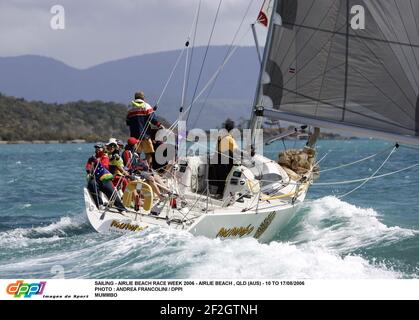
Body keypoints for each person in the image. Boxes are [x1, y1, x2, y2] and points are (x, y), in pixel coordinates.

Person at [85, 143, 126, 212]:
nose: (97, 149)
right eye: (96, 148)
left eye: (99, 148)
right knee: (91, 185)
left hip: (104, 179)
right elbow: (88, 165)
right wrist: (88, 169)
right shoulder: (92, 157)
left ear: (103, 149)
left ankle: (121, 208)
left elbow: (105, 166)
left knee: (112, 192)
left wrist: (97, 161)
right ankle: (99, 204)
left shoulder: (105, 157)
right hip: (95, 179)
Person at [126, 91, 162, 166]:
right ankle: (148, 168)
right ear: (143, 97)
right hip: (146, 135)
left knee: (136, 153)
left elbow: (128, 122)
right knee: (148, 153)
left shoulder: (130, 107)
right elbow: (152, 119)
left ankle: (135, 168)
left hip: (134, 136)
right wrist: (159, 125)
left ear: (135, 97)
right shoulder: (146, 106)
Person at [210, 119, 239, 197]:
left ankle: (218, 193)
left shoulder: (221, 136)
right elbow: (236, 150)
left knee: (220, 177)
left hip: (218, 158)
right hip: (224, 160)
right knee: (224, 178)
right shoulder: (229, 138)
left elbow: (217, 148)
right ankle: (221, 194)